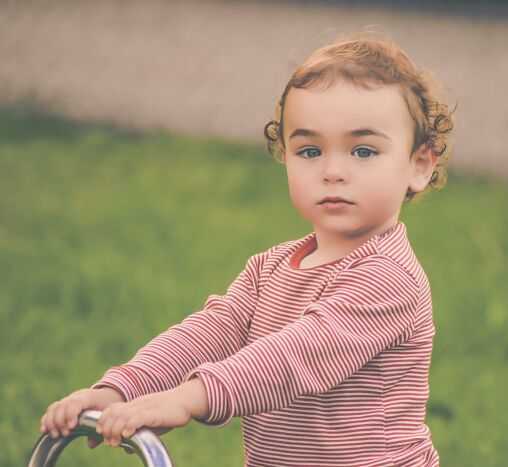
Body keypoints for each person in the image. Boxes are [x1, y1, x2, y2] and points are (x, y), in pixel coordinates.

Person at [39, 33, 454, 466]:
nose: (333, 171)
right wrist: (122, 389)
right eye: (310, 150)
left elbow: (297, 357)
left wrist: (189, 398)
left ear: (419, 165)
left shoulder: (389, 278)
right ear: (285, 156)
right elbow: (210, 334)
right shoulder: (269, 268)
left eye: (363, 151)